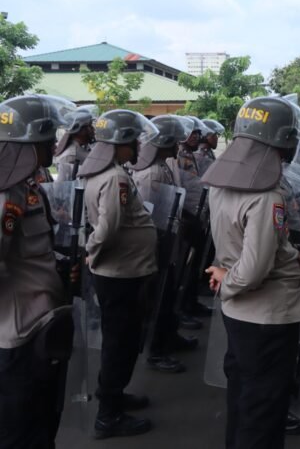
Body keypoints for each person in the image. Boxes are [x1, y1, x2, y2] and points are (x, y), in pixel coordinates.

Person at [203, 96, 300, 449]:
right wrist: (228, 283)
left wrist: (225, 277)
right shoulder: (267, 197)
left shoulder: (220, 186)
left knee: (243, 398)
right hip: (268, 318)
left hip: (238, 314)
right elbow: (254, 270)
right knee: (263, 410)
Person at [0, 94, 76, 448]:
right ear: (30, 143)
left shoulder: (27, 187)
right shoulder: (6, 196)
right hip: (18, 337)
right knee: (21, 431)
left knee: (42, 422)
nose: (54, 145)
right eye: (48, 138)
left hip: (38, 327)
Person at [78, 109, 159, 439]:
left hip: (123, 271)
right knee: (119, 343)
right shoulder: (115, 178)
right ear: (121, 142)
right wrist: (92, 253)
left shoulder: (107, 172)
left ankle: (114, 394)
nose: (139, 146)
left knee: (121, 339)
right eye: (134, 140)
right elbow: (108, 228)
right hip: (121, 274)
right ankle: (108, 415)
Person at [129, 115, 196, 375]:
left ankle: (170, 336)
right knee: (158, 298)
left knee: (169, 295)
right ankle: (156, 351)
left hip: (169, 241)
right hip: (157, 244)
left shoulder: (163, 165)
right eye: (174, 141)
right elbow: (148, 214)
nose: (178, 146)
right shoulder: (151, 173)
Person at [168, 116, 212, 329]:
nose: (195, 136)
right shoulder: (176, 156)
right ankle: (180, 309)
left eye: (197, 133)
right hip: (185, 217)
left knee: (193, 266)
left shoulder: (190, 155)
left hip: (196, 215)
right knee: (182, 268)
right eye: (191, 133)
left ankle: (190, 302)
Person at [54, 105, 95, 181]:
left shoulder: (84, 147)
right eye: (89, 125)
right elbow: (64, 184)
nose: (93, 129)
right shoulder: (70, 156)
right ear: (79, 130)